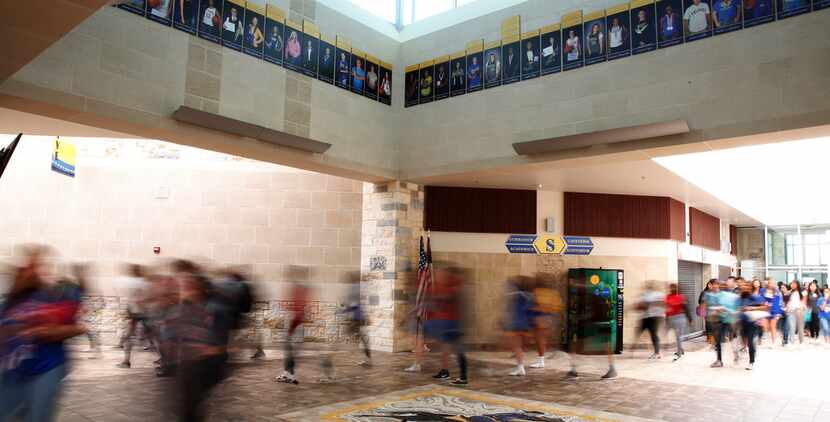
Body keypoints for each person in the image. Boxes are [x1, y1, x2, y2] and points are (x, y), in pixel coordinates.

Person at [0, 246, 87, 422]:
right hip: (13, 372)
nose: (28, 272)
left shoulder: (53, 296)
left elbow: (77, 328)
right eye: (25, 267)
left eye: (36, 266)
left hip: (46, 369)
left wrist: (46, 331)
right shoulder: (8, 302)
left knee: (37, 417)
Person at [423, 265, 468, 385]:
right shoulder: (447, 287)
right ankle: (445, 371)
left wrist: (434, 296)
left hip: (453, 323)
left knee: (459, 349)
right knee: (446, 348)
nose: (438, 276)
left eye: (440, 274)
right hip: (447, 323)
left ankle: (463, 377)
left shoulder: (454, 288)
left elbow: (445, 298)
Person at [275, 267, 310, 384]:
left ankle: (291, 375)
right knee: (288, 350)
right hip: (295, 322)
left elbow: (299, 309)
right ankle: (287, 373)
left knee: (290, 350)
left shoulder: (298, 288)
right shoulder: (299, 287)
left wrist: (291, 327)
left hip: (295, 323)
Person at [116, 264, 153, 369]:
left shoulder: (134, 282)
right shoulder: (145, 283)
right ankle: (126, 361)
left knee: (129, 336)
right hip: (144, 313)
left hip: (136, 313)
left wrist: (129, 309)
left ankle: (126, 361)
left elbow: (133, 298)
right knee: (153, 336)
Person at [527, 274, 561, 369]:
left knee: (540, 340)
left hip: (541, 319)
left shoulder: (537, 292)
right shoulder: (553, 293)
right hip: (548, 319)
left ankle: (541, 361)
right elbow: (557, 307)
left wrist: (538, 308)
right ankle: (541, 360)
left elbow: (535, 305)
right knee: (541, 340)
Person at [707, 278, 740, 368]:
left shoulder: (731, 296)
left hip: (730, 319)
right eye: (716, 285)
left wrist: (729, 311)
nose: (717, 286)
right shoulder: (715, 296)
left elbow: (737, 308)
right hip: (720, 320)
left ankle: (736, 353)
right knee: (718, 341)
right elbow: (712, 307)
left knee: (732, 338)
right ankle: (719, 360)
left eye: (719, 285)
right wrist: (716, 310)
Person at [505, 276, 533, 376]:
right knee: (520, 347)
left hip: (517, 324)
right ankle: (520, 367)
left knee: (517, 347)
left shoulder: (516, 295)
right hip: (526, 324)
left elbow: (510, 310)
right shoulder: (530, 296)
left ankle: (520, 368)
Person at [739, 279, 768, 370]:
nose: (745, 288)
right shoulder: (740, 297)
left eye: (747, 287)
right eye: (743, 287)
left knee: (750, 342)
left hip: (752, 323)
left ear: (749, 288)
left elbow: (765, 307)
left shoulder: (754, 297)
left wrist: (751, 308)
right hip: (742, 322)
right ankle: (750, 349)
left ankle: (751, 362)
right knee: (744, 340)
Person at [637, 281, 665, 359]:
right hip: (649, 317)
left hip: (654, 317)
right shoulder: (648, 294)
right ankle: (657, 352)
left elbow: (662, 304)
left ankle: (657, 352)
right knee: (652, 334)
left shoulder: (655, 294)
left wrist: (649, 304)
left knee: (654, 334)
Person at [665, 283, 692, 361]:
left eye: (673, 288)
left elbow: (686, 308)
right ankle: (680, 349)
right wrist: (666, 319)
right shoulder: (668, 297)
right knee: (675, 335)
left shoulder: (681, 297)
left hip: (680, 318)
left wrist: (690, 319)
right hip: (671, 318)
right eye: (670, 288)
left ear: (676, 289)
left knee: (678, 336)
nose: (671, 289)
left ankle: (679, 353)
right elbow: (667, 308)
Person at [761, 278, 783, 347]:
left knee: (773, 327)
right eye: (769, 282)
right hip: (765, 310)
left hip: (774, 311)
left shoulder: (777, 292)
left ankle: (774, 342)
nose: (771, 284)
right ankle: (764, 341)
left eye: (772, 283)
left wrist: (779, 313)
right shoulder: (763, 290)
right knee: (765, 326)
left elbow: (780, 303)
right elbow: (761, 299)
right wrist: (764, 303)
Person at [786, 280, 805, 345]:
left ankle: (801, 342)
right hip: (791, 311)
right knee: (792, 326)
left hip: (799, 311)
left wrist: (802, 308)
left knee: (800, 327)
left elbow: (804, 300)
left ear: (797, 284)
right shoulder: (790, 291)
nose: (792, 285)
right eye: (791, 284)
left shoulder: (803, 291)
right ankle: (791, 342)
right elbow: (785, 297)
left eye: (794, 284)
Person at [698, 279, 715, 346]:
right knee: (708, 324)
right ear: (709, 285)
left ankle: (711, 337)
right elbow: (699, 301)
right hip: (707, 310)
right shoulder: (704, 292)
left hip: (713, 311)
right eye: (712, 285)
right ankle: (709, 337)